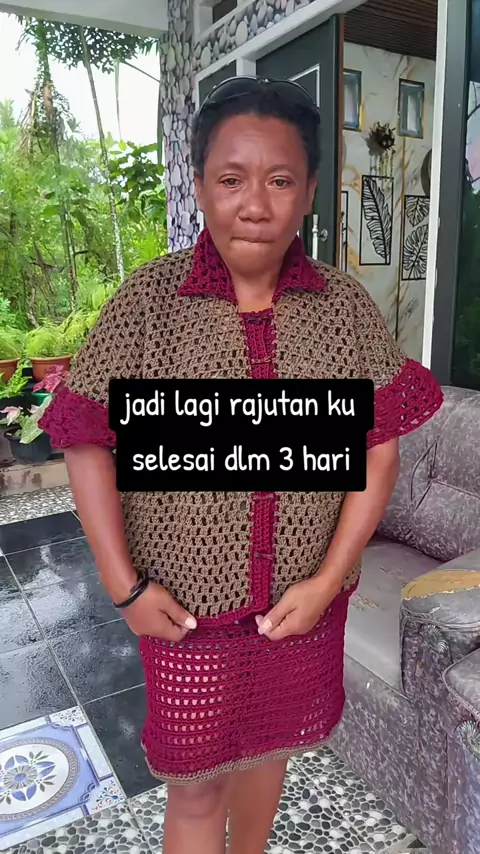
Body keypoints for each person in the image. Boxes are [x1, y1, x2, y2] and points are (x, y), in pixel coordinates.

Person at [40, 77, 443, 854]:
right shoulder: (149, 305)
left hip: (302, 606)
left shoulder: (343, 309)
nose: (255, 204)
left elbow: (377, 451)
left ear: (310, 192)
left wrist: (326, 582)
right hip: (183, 614)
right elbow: (85, 436)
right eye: (231, 179)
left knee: (269, 754)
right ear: (198, 187)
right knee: (194, 786)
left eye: (280, 180)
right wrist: (125, 588)